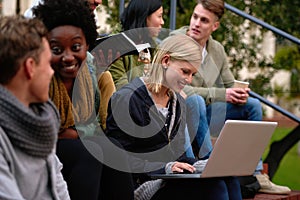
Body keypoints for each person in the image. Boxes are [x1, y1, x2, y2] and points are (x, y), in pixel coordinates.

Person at [170, 0, 291, 195]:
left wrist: (238, 93)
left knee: (253, 105)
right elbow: (181, 89)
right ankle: (210, 163)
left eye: (203, 20)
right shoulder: (175, 42)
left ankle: (257, 171)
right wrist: (222, 94)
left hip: (210, 112)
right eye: (194, 17)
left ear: (215, 26)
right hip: (185, 110)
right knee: (197, 100)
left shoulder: (216, 49)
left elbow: (228, 84)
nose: (196, 24)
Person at [106, 34, 242, 200]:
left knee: (227, 178)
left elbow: (177, 155)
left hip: (169, 178)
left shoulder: (177, 101)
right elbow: (119, 159)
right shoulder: (126, 99)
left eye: (192, 74)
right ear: (165, 61)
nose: (189, 80)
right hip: (142, 183)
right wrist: (165, 168)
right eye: (185, 71)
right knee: (215, 187)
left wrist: (202, 165)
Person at [32, 0, 133, 199]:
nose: (68, 57)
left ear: (87, 44)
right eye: (57, 49)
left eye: (76, 46)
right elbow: (39, 130)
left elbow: (92, 124)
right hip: (42, 147)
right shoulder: (39, 73)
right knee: (90, 151)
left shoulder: (90, 67)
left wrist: (76, 133)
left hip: (78, 141)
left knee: (114, 149)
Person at [0, 15, 70, 200]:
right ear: (30, 67)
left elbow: (59, 187)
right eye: (47, 63)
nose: (51, 72)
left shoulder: (40, 122)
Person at [108, 0, 164, 90]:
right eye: (159, 16)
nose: (162, 22)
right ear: (144, 16)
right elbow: (121, 88)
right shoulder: (114, 45)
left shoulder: (152, 46)